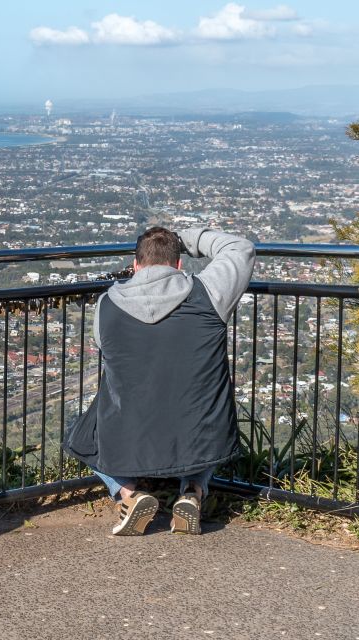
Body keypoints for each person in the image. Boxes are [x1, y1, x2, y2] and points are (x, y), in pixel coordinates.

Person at [64, 227, 255, 536]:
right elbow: (241, 249)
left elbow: (105, 347)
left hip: (129, 430)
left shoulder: (107, 305)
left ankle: (129, 493)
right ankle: (192, 491)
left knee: (78, 431)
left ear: (136, 265)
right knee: (204, 410)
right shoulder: (210, 294)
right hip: (200, 429)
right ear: (179, 265)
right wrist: (187, 239)